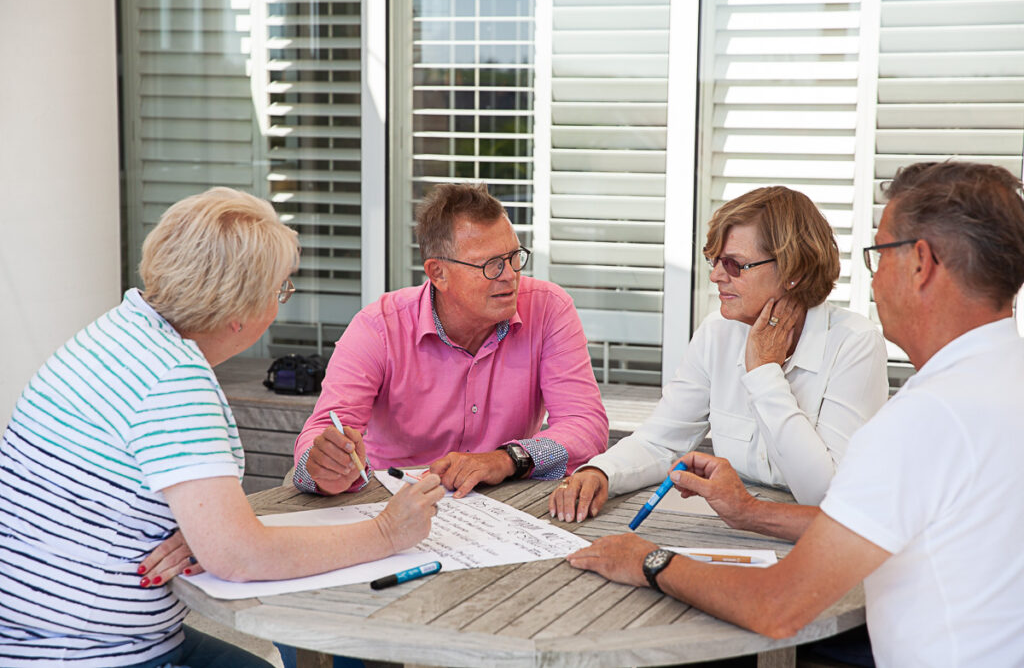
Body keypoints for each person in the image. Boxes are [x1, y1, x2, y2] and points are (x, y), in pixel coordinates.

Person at [566, 161, 1024, 666]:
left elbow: (777, 607)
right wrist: (746, 511)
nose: (872, 283)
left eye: (878, 257)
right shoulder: (998, 381)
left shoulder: (922, 419)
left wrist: (646, 560)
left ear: (920, 263)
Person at [0, 188, 444, 668]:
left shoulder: (121, 329)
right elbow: (239, 557)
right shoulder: (174, 379)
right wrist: (386, 533)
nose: (281, 303)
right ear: (240, 311)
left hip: (43, 634)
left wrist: (200, 529)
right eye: (280, 290)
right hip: (88, 655)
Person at [550, 186, 888, 523]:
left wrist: (764, 372)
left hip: (819, 544)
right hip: (730, 531)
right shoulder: (717, 332)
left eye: (734, 265)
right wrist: (601, 472)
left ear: (793, 271)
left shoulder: (854, 344)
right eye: (713, 261)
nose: (715, 276)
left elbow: (826, 494)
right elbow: (662, 441)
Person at [292, 183, 608, 499]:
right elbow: (321, 432)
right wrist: (320, 465)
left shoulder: (548, 308)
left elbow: (586, 426)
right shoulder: (378, 328)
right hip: (388, 502)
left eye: (513, 257)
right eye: (491, 264)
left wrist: (507, 458)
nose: (510, 275)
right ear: (438, 273)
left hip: (503, 502)